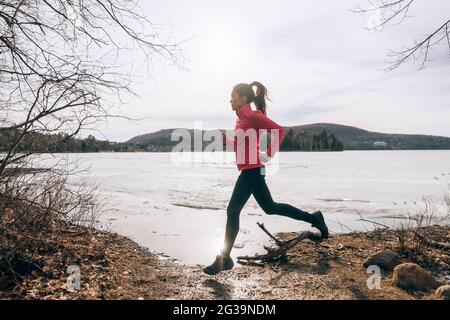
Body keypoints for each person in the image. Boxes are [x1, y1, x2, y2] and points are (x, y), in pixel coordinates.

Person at [203, 81, 329, 275]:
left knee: (232, 211)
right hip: (252, 169)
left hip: (252, 170)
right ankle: (314, 218)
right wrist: (227, 140)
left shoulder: (252, 116)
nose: (230, 99)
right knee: (270, 207)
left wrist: (269, 153)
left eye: (233, 95)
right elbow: (240, 144)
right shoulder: (241, 119)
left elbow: (279, 130)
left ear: (243, 99)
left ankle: (224, 259)